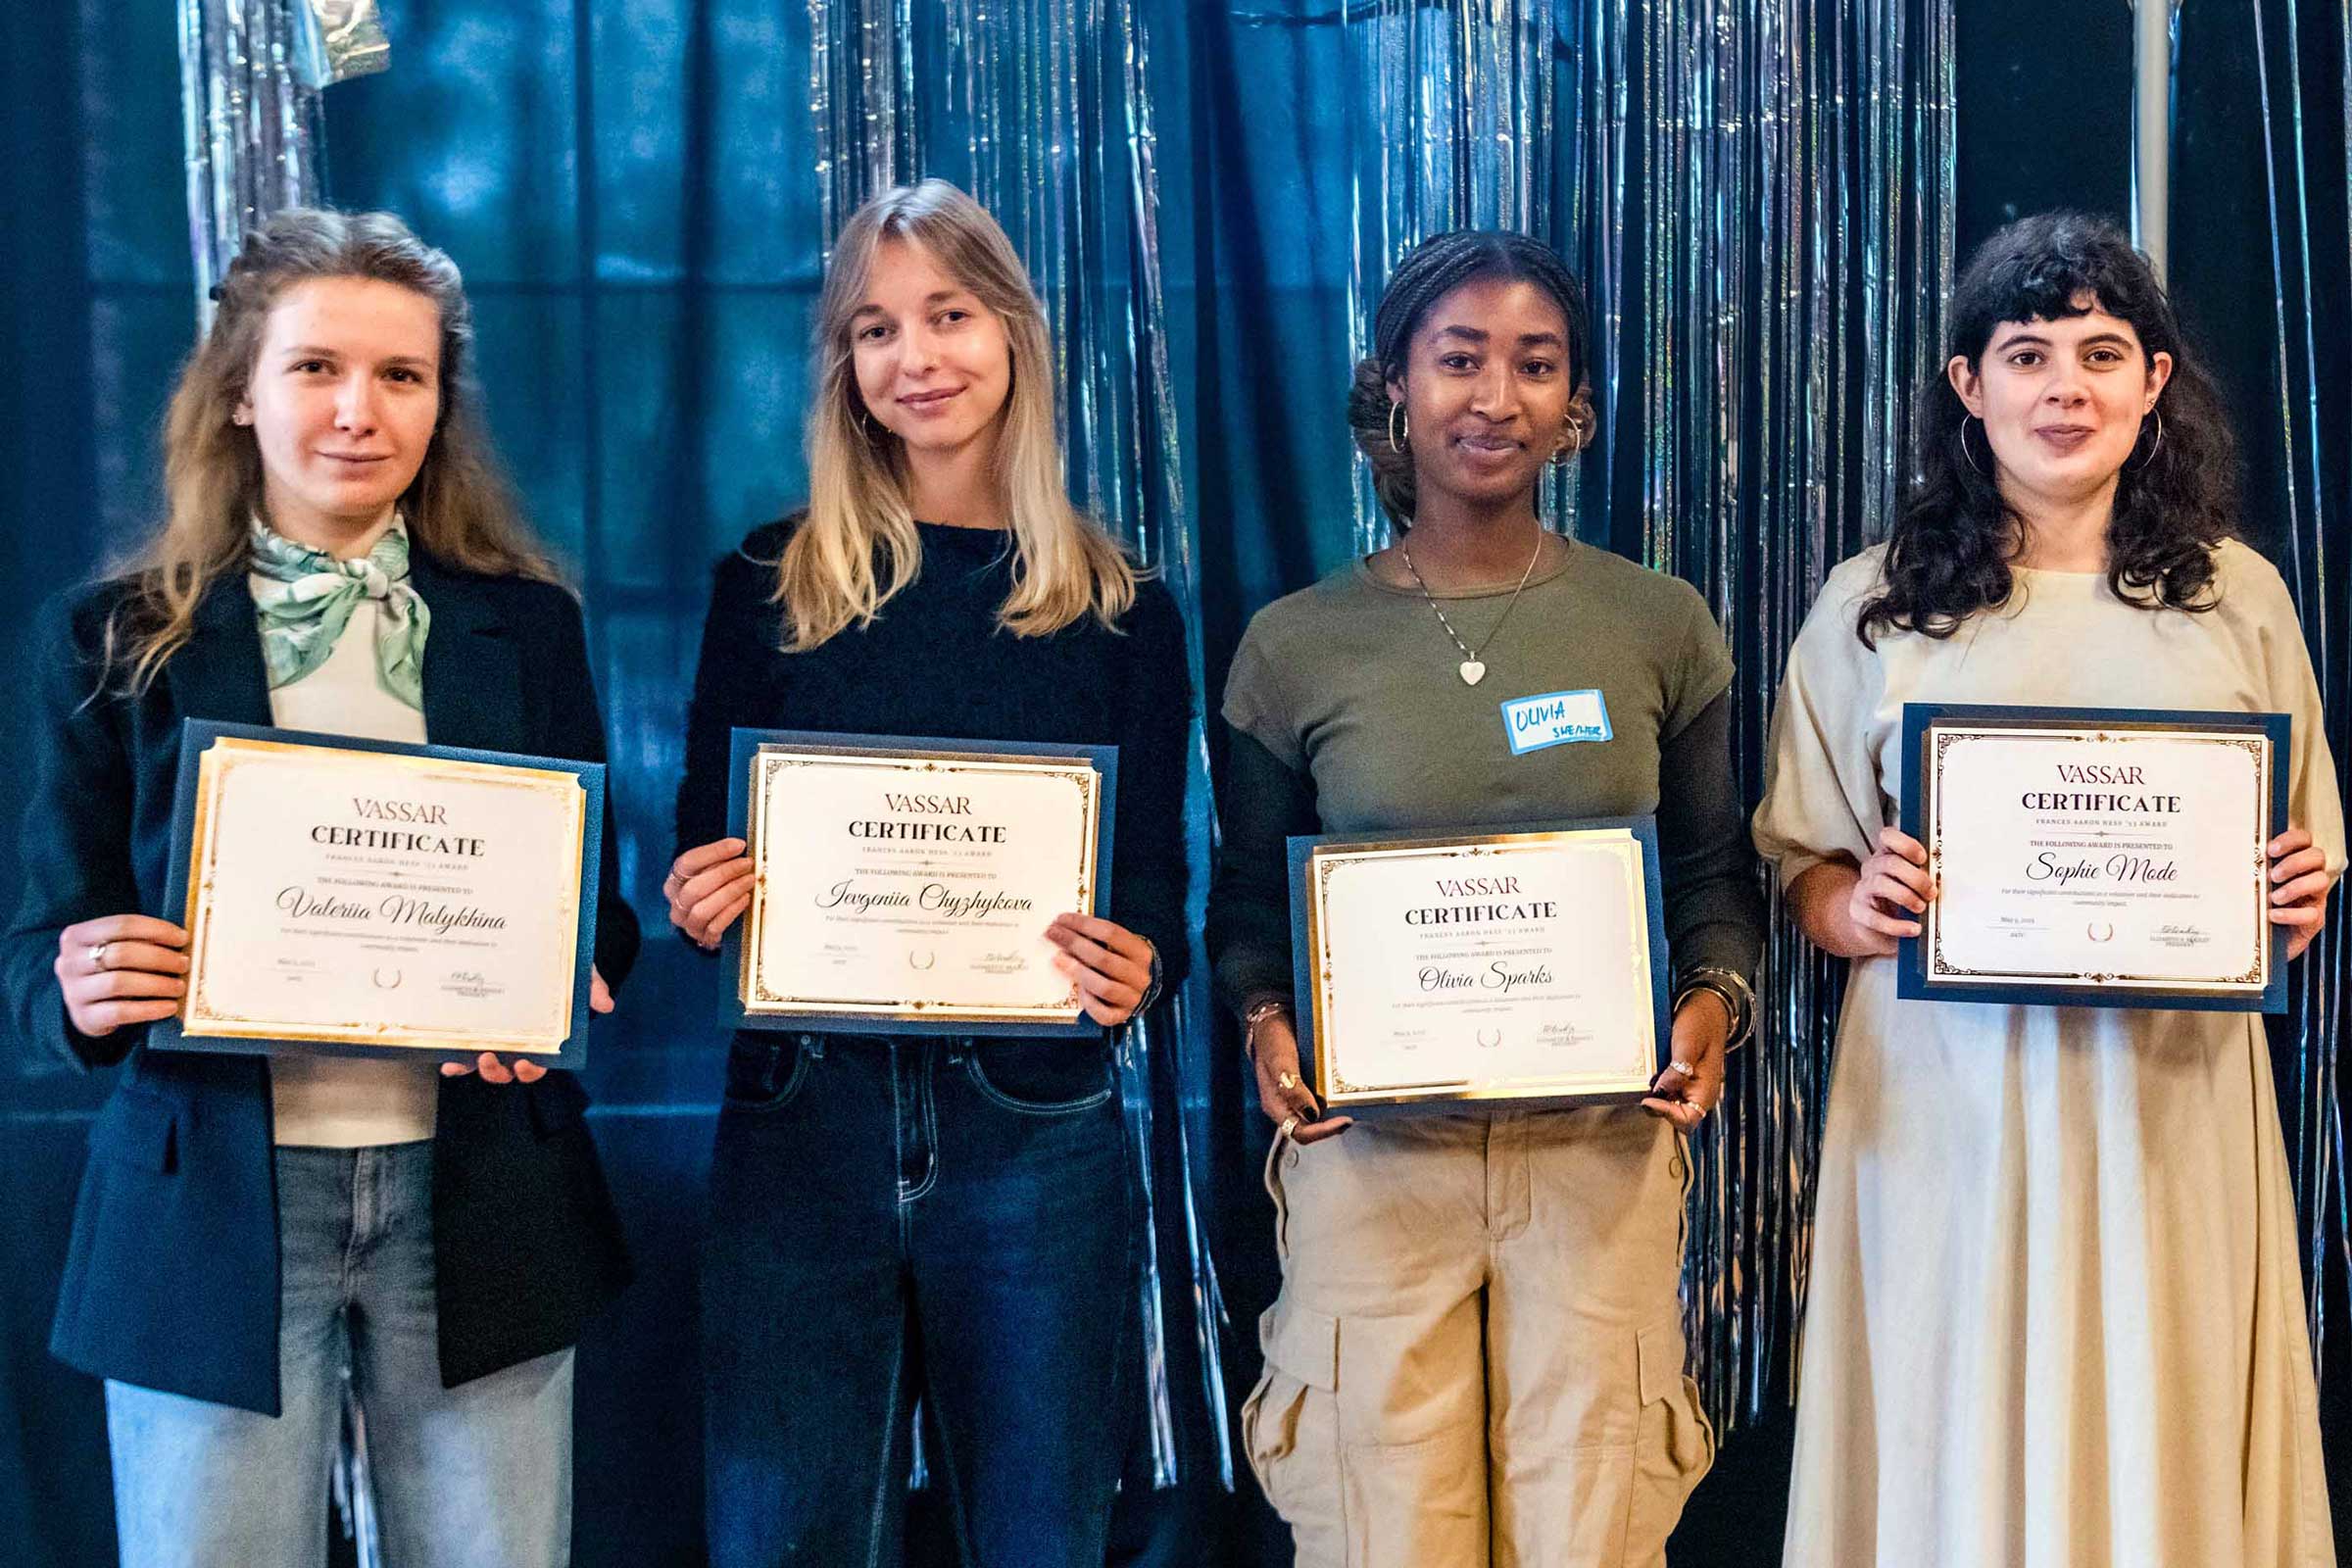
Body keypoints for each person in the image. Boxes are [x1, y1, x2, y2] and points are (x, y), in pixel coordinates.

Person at [4, 208, 639, 1567]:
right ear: (239, 389)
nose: (360, 410)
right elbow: (36, 959)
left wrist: (572, 975)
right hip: (209, 1209)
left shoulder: (528, 627)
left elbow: (603, 916)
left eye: (401, 376)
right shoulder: (109, 638)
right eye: (315, 368)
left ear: (439, 406)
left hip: (478, 1198)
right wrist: (77, 981)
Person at [1754, 211, 2342, 1566]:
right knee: (1945, 1397)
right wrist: (1855, 908)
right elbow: (1804, 861)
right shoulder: (1872, 604)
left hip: (2169, 1099)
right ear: (1970, 386)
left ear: (2154, 383)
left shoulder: (2239, 598)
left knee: (2163, 1392)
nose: (2064, 387)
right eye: (2027, 353)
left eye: (2101, 352)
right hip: (1942, 1097)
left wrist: (2293, 900)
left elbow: (2298, 858)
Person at [1205, 228, 1760, 1568]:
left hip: (1597, 1159)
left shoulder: (1658, 623)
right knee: (1381, 1530)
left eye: (1536, 365)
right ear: (1397, 381)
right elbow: (1243, 901)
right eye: (1460, 359)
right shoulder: (1293, 643)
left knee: (1594, 1528)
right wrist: (1268, 1020)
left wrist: (1712, 1009)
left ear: (1575, 407)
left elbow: (1709, 873)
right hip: (1371, 1166)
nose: (1494, 397)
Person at [663, 177, 1192, 1568]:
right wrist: (700, 896)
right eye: (876, 330)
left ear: (1014, 332)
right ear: (844, 366)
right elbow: (695, 848)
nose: (918, 358)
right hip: (799, 1115)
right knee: (783, 1539)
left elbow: (1153, 902)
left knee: (1042, 1538)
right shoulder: (766, 582)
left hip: (1034, 1125)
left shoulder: (1125, 607)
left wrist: (1142, 963)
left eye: (949, 316)